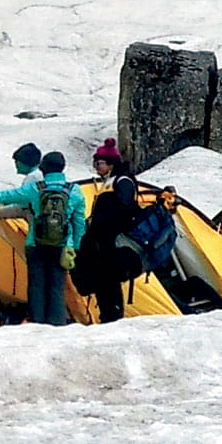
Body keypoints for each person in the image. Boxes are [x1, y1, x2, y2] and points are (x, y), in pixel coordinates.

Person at [0, 150, 85, 326]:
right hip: (63, 245)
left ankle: (37, 322)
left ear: (44, 168)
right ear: (63, 168)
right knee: (57, 285)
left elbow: (6, 197)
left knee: (37, 285)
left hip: (36, 243)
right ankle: (57, 321)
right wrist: (76, 246)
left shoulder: (36, 189)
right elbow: (79, 222)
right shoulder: (75, 191)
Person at [78, 138, 141, 323]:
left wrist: (104, 227)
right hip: (102, 242)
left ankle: (112, 315)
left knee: (109, 281)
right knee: (103, 280)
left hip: (111, 242)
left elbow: (124, 209)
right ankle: (108, 314)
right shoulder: (112, 181)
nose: (96, 167)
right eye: (95, 163)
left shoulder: (122, 181)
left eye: (100, 163)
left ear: (111, 163)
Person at [0, 143, 44, 221]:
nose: (15, 164)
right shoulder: (40, 174)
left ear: (25, 162)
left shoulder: (32, 178)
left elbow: (20, 207)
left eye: (17, 161)